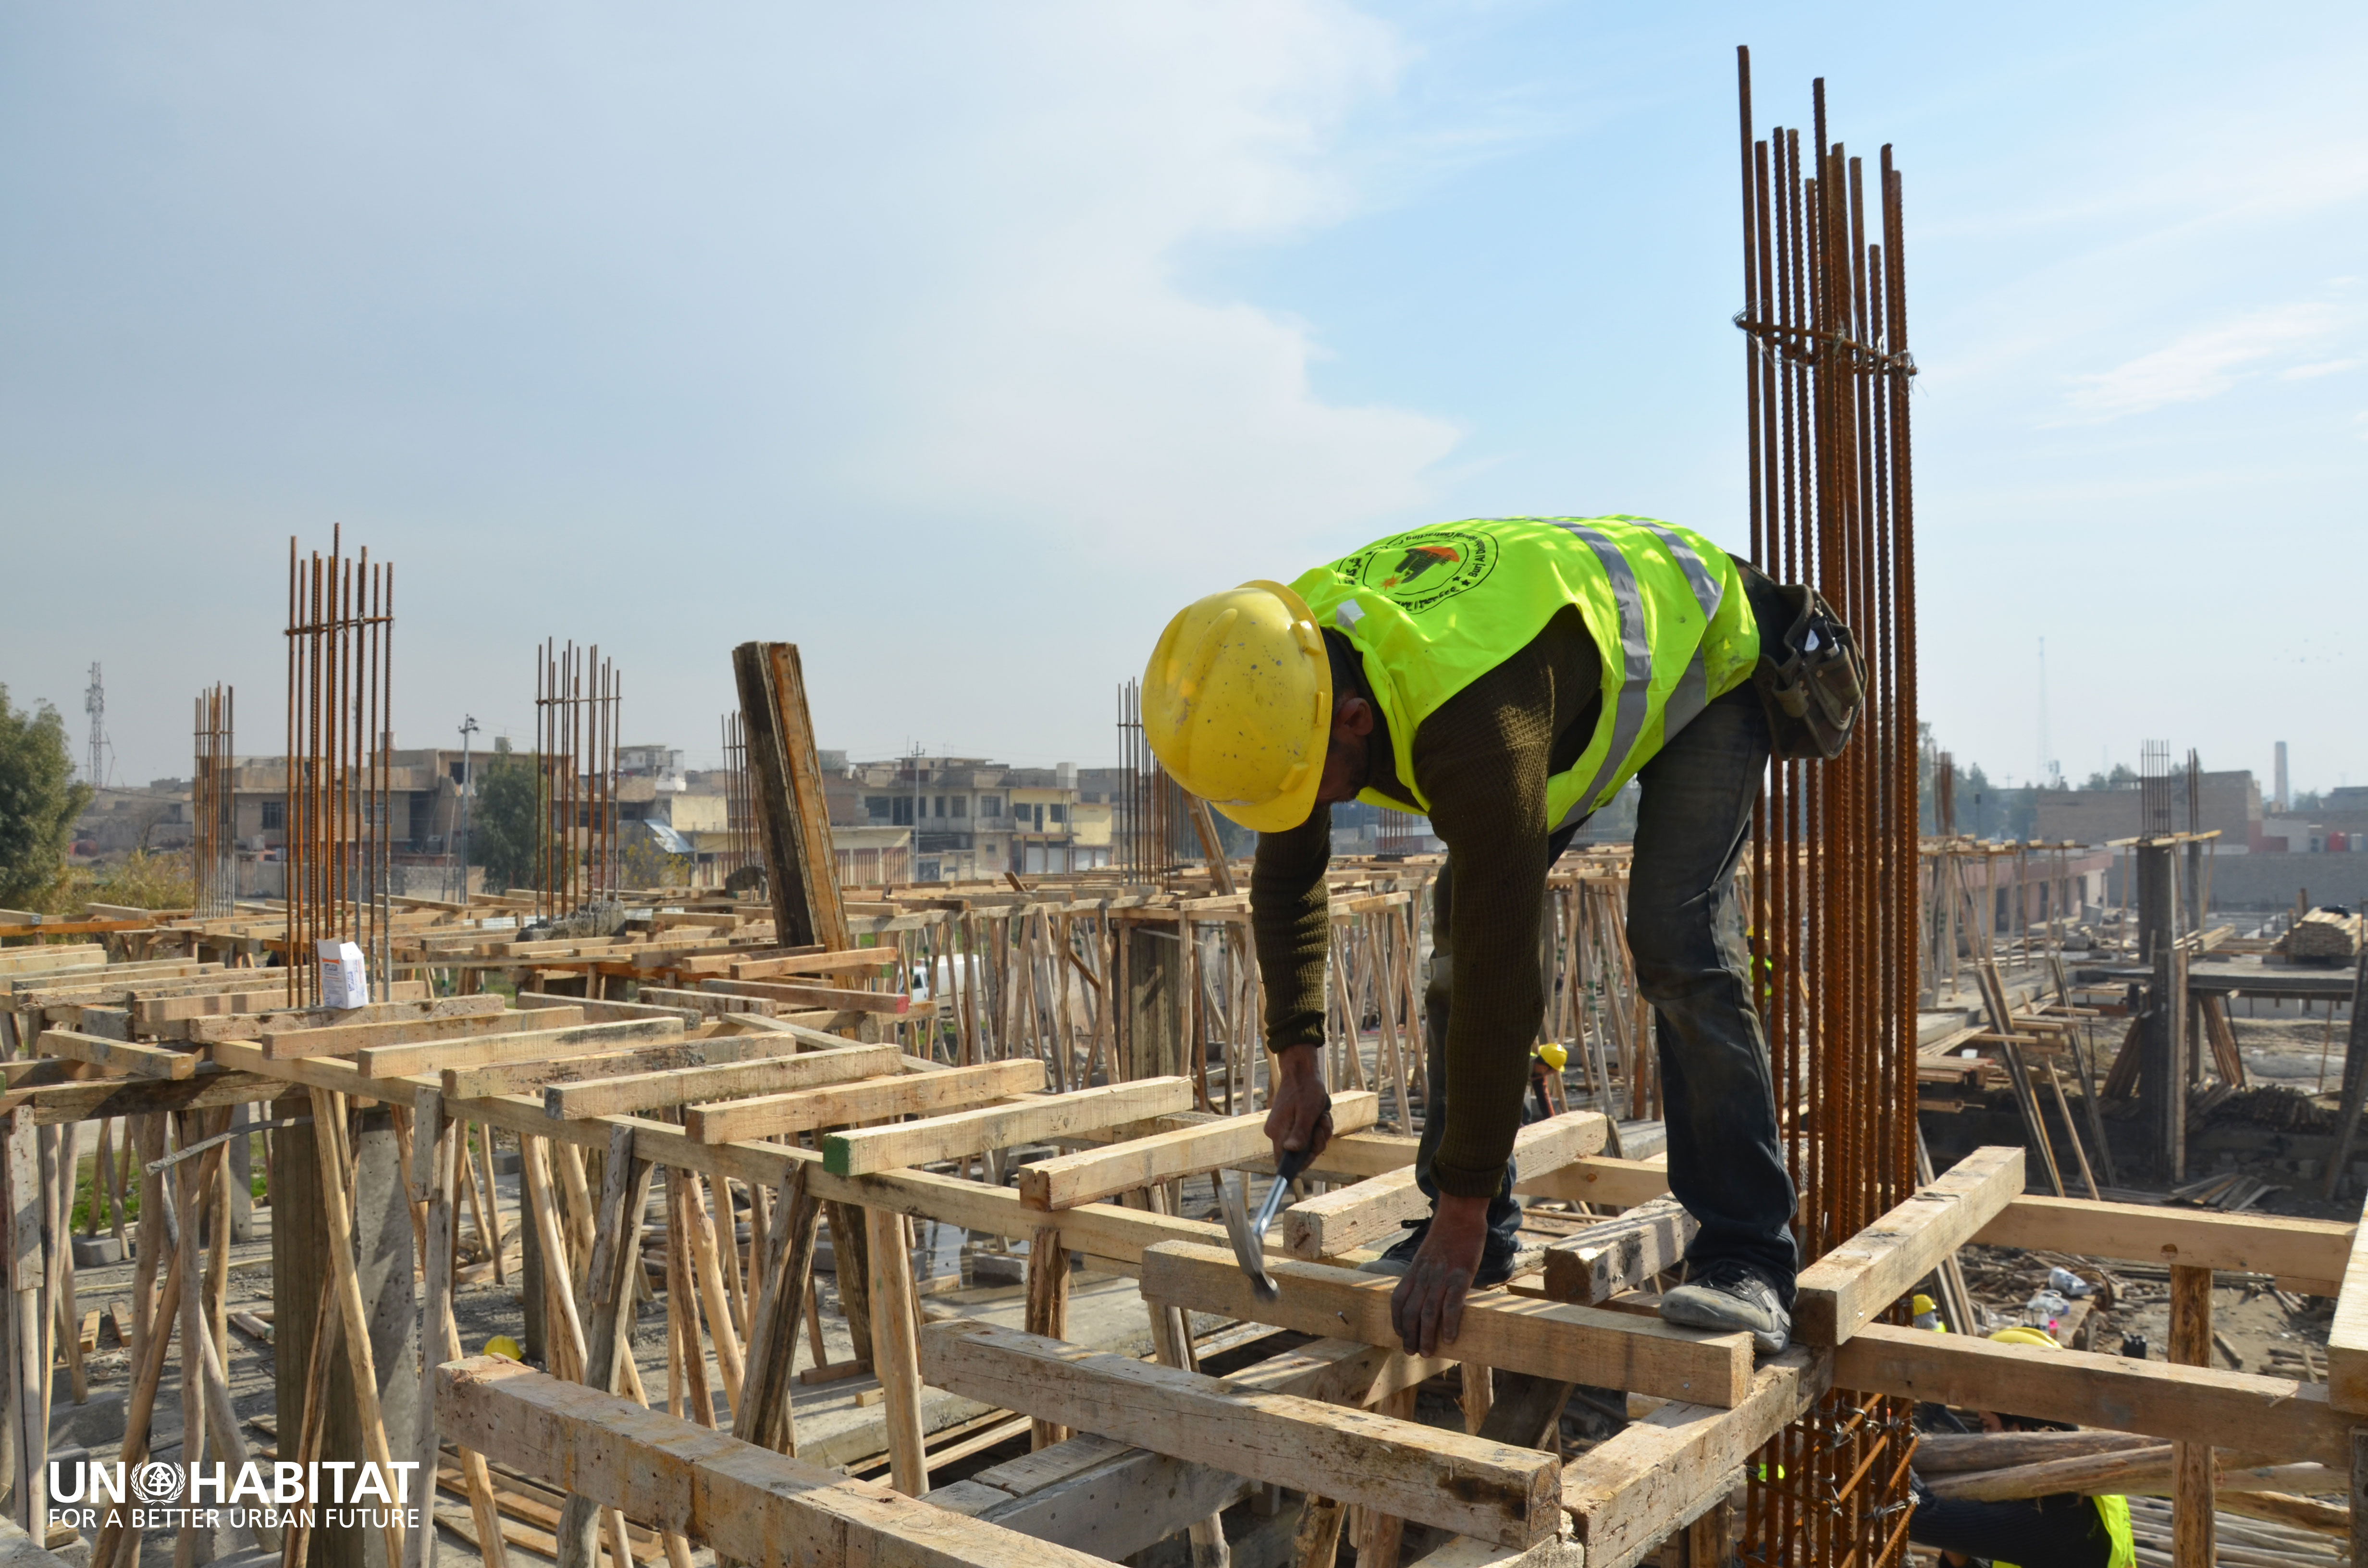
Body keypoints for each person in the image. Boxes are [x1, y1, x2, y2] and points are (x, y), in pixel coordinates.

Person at [1143, 516, 1853, 1358]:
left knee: (1674, 932)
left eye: (1313, 786)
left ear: (1356, 720)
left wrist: (1462, 1210)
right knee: (1461, 918)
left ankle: (1748, 1254)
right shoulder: (1287, 667)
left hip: (1707, 651)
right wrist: (1295, 1058)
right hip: (1569, 678)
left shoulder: (1468, 720)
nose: (1312, 808)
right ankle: (1479, 1219)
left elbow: (1500, 975)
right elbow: (1289, 868)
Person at [1909, 1332, 2135, 1568]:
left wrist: (1883, 1444)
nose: (1982, 1439)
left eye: (1988, 1426)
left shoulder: (2054, 1510)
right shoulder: (2086, 1472)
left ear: (2020, 1428)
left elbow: (1921, 1516)